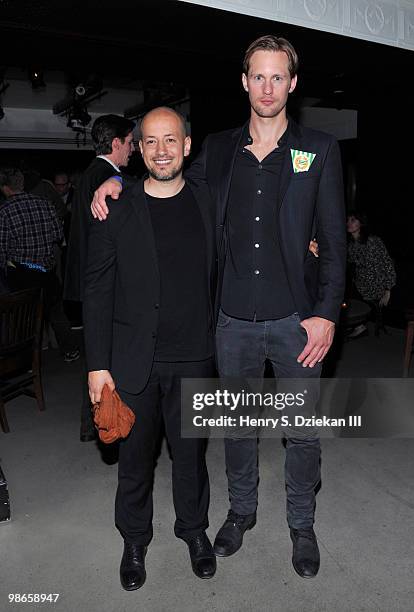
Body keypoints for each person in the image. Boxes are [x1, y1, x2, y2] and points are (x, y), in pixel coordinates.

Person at [91, 35, 346, 579]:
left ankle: (301, 524)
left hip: (297, 322)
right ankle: (241, 513)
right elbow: (168, 181)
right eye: (258, 76)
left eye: (279, 77)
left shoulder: (318, 150)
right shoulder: (220, 148)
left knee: (300, 432)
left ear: (293, 84)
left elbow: (334, 240)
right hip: (229, 323)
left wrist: (326, 312)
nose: (268, 87)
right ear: (244, 81)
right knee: (237, 428)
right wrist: (114, 180)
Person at [83, 107, 217, 590]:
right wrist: (97, 365)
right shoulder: (116, 207)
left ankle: (194, 531)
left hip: (196, 357)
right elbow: (96, 290)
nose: (161, 150)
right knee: (134, 463)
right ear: (138, 150)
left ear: (186, 145)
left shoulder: (209, 200)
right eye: (151, 142)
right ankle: (135, 539)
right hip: (133, 361)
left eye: (170, 140)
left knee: (191, 459)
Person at [64, 114, 135, 441]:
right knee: (107, 359)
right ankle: (104, 422)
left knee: (95, 358)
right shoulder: (108, 177)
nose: (133, 149)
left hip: (85, 279)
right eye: (131, 142)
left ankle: (88, 425)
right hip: (103, 283)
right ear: (117, 142)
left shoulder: (89, 175)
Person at [0, 167, 79, 361]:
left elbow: (1, 249)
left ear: (5, 188)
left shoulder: (4, 211)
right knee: (56, 312)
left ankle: (24, 359)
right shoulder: (45, 204)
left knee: (22, 318)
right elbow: (58, 236)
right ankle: (70, 350)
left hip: (21, 274)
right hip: (47, 270)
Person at [347, 211, 396, 337]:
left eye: (353, 220)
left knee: (348, 293)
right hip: (361, 283)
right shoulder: (352, 245)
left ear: (361, 224)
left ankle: (359, 326)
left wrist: (388, 289)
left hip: (375, 284)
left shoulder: (373, 241)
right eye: (348, 220)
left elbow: (387, 263)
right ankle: (358, 325)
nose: (349, 223)